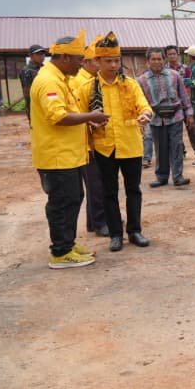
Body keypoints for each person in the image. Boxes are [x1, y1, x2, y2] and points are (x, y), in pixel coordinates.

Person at [30, 33, 110, 269]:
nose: (81, 64)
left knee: (73, 199)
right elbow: (58, 116)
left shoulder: (61, 77)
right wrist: (90, 116)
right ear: (64, 57)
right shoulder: (49, 81)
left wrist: (87, 120)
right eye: (78, 59)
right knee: (62, 203)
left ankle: (68, 244)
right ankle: (61, 252)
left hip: (68, 155)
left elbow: (68, 112)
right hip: (57, 156)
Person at [74, 33, 152, 252]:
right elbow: (80, 117)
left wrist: (145, 114)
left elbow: (144, 106)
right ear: (97, 61)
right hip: (104, 147)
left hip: (130, 144)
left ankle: (134, 231)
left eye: (117, 60)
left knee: (133, 190)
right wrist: (89, 122)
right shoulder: (87, 88)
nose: (114, 65)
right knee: (109, 192)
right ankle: (116, 234)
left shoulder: (131, 84)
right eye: (108, 61)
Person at [138, 47, 194, 188]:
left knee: (177, 146)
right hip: (155, 119)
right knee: (160, 148)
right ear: (148, 61)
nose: (157, 62)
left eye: (159, 59)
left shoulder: (174, 75)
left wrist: (189, 114)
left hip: (176, 117)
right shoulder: (141, 80)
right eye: (153, 59)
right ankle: (162, 177)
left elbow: (184, 96)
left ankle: (178, 177)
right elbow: (140, 101)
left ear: (164, 60)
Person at [75, 42, 108, 237]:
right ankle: (100, 221)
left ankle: (94, 221)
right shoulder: (81, 82)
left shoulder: (94, 79)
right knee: (96, 184)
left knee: (98, 182)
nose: (100, 64)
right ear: (86, 62)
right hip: (86, 142)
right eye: (98, 60)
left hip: (96, 140)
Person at [20, 44, 48, 121]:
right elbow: (28, 93)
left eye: (43, 54)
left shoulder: (45, 69)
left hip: (46, 103)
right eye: (38, 54)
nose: (42, 56)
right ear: (31, 56)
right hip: (34, 106)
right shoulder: (26, 71)